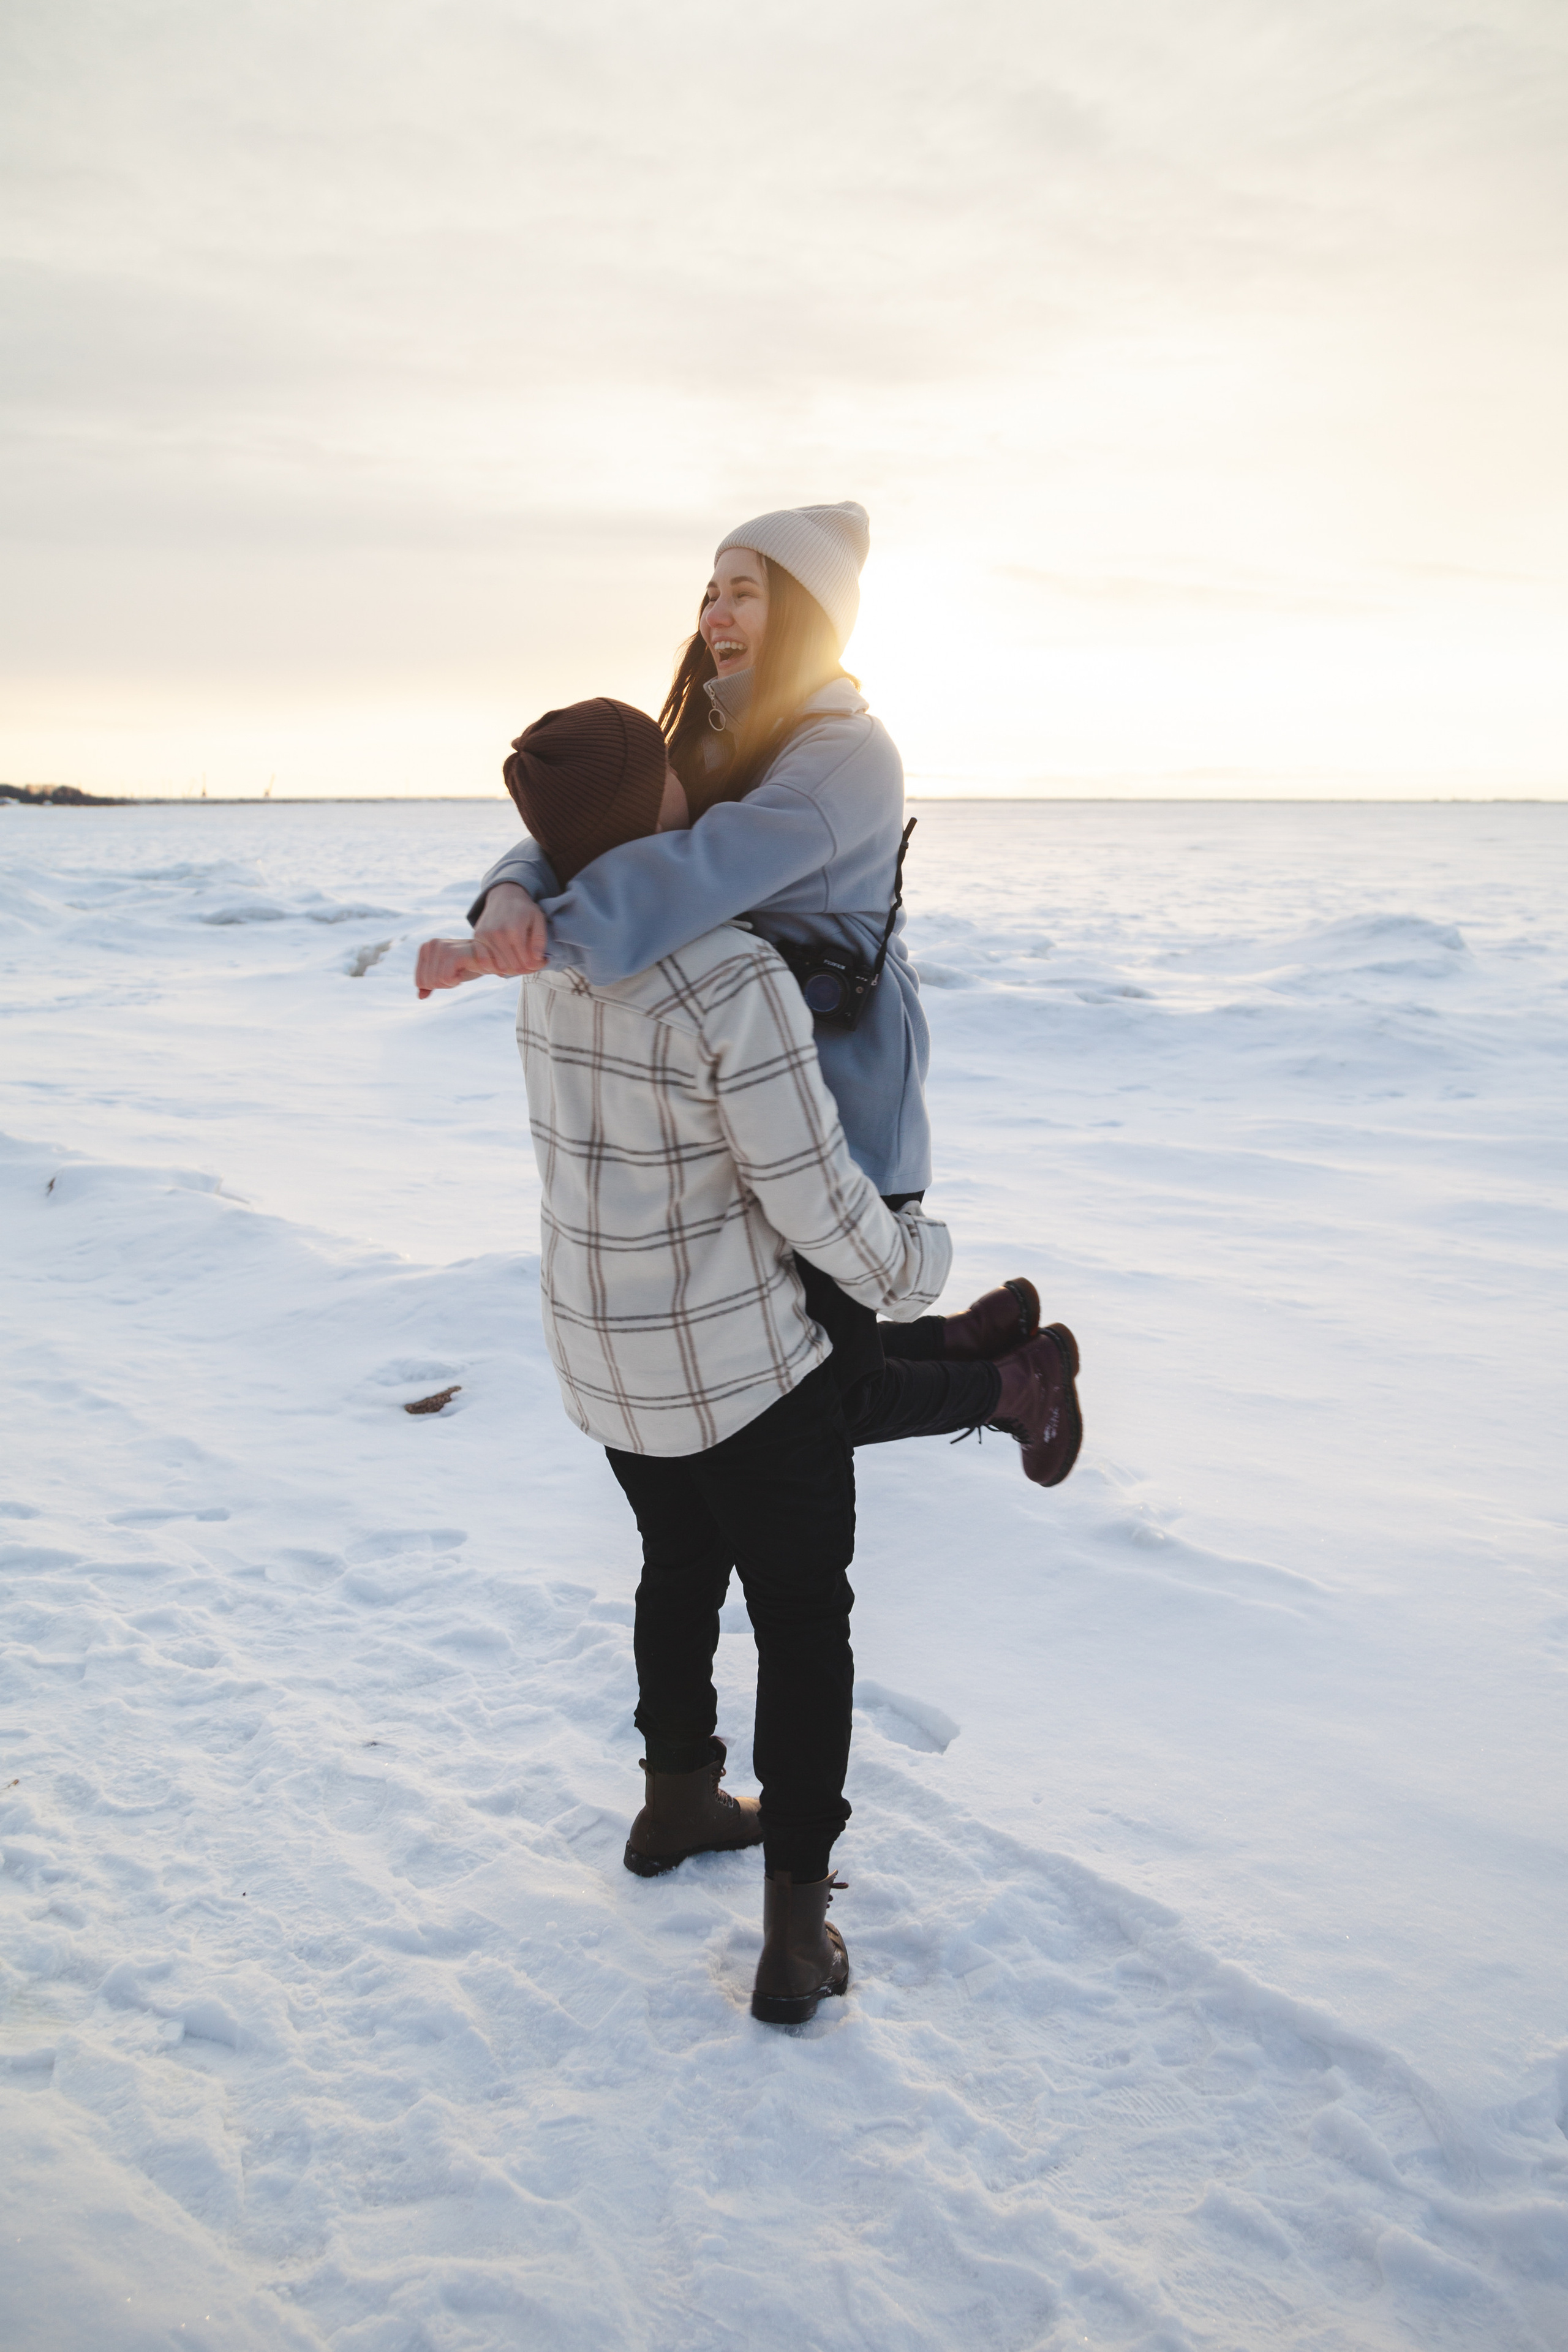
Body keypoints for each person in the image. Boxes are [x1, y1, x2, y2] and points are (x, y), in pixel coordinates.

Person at [417, 696, 1080, 2024]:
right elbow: (813, 1201)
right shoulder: (725, 977)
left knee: (675, 1563)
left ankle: (672, 1803)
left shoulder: (541, 962)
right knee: (801, 1625)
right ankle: (792, 1942)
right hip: (734, 1372)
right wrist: (921, 1264)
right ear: (656, 798)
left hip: (605, 1363)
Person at [415, 502, 1084, 1488]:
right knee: (795, 1349)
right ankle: (972, 1338)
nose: (716, 613)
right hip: (748, 1094)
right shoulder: (712, 733)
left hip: (842, 1092)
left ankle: (1023, 1382)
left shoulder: (846, 754)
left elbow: (697, 866)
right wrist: (513, 890)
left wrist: (524, 944)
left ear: (809, 612)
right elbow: (604, 823)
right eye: (710, 593)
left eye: (745, 592)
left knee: (824, 1399)